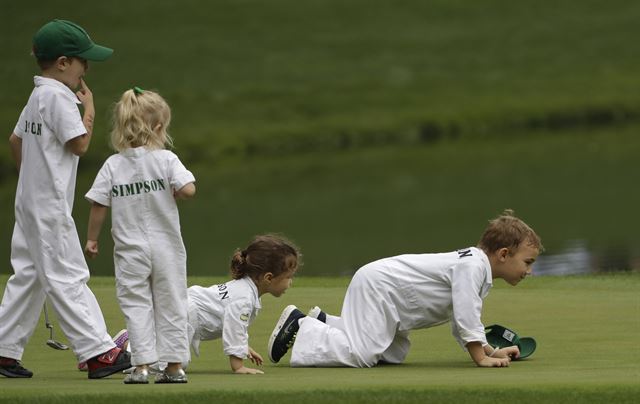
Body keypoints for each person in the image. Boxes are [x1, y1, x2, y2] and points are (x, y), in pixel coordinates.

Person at [0, 19, 131, 379]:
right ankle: (98, 352)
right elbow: (80, 144)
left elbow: (15, 142)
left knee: (29, 275)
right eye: (81, 61)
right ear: (61, 63)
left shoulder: (37, 94)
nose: (85, 69)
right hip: (48, 207)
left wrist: (34, 179)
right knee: (68, 274)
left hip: (29, 203)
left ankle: (4, 350)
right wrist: (88, 108)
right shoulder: (59, 97)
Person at [268, 209, 542, 368]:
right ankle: (303, 326)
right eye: (527, 262)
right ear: (504, 254)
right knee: (363, 354)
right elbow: (467, 316)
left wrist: (491, 351)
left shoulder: (478, 269)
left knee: (392, 353)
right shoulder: (473, 267)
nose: (529, 271)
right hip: (382, 287)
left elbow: (463, 322)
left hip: (392, 299)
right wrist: (480, 358)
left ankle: (323, 321)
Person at [84, 87, 196, 384]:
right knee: (171, 302)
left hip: (130, 249)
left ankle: (142, 365)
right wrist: (174, 190)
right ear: (159, 127)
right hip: (166, 248)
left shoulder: (113, 165)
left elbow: (98, 204)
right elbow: (188, 189)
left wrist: (92, 239)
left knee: (136, 304)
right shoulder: (166, 160)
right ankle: (174, 366)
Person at [116, 234, 300, 375]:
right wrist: (239, 367)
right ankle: (124, 350)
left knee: (173, 359)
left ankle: (127, 344)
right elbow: (235, 327)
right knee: (172, 364)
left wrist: (244, 347)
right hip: (183, 315)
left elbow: (232, 322)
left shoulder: (246, 291)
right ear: (268, 278)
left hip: (180, 308)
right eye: (288, 277)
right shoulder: (244, 297)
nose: (290, 283)